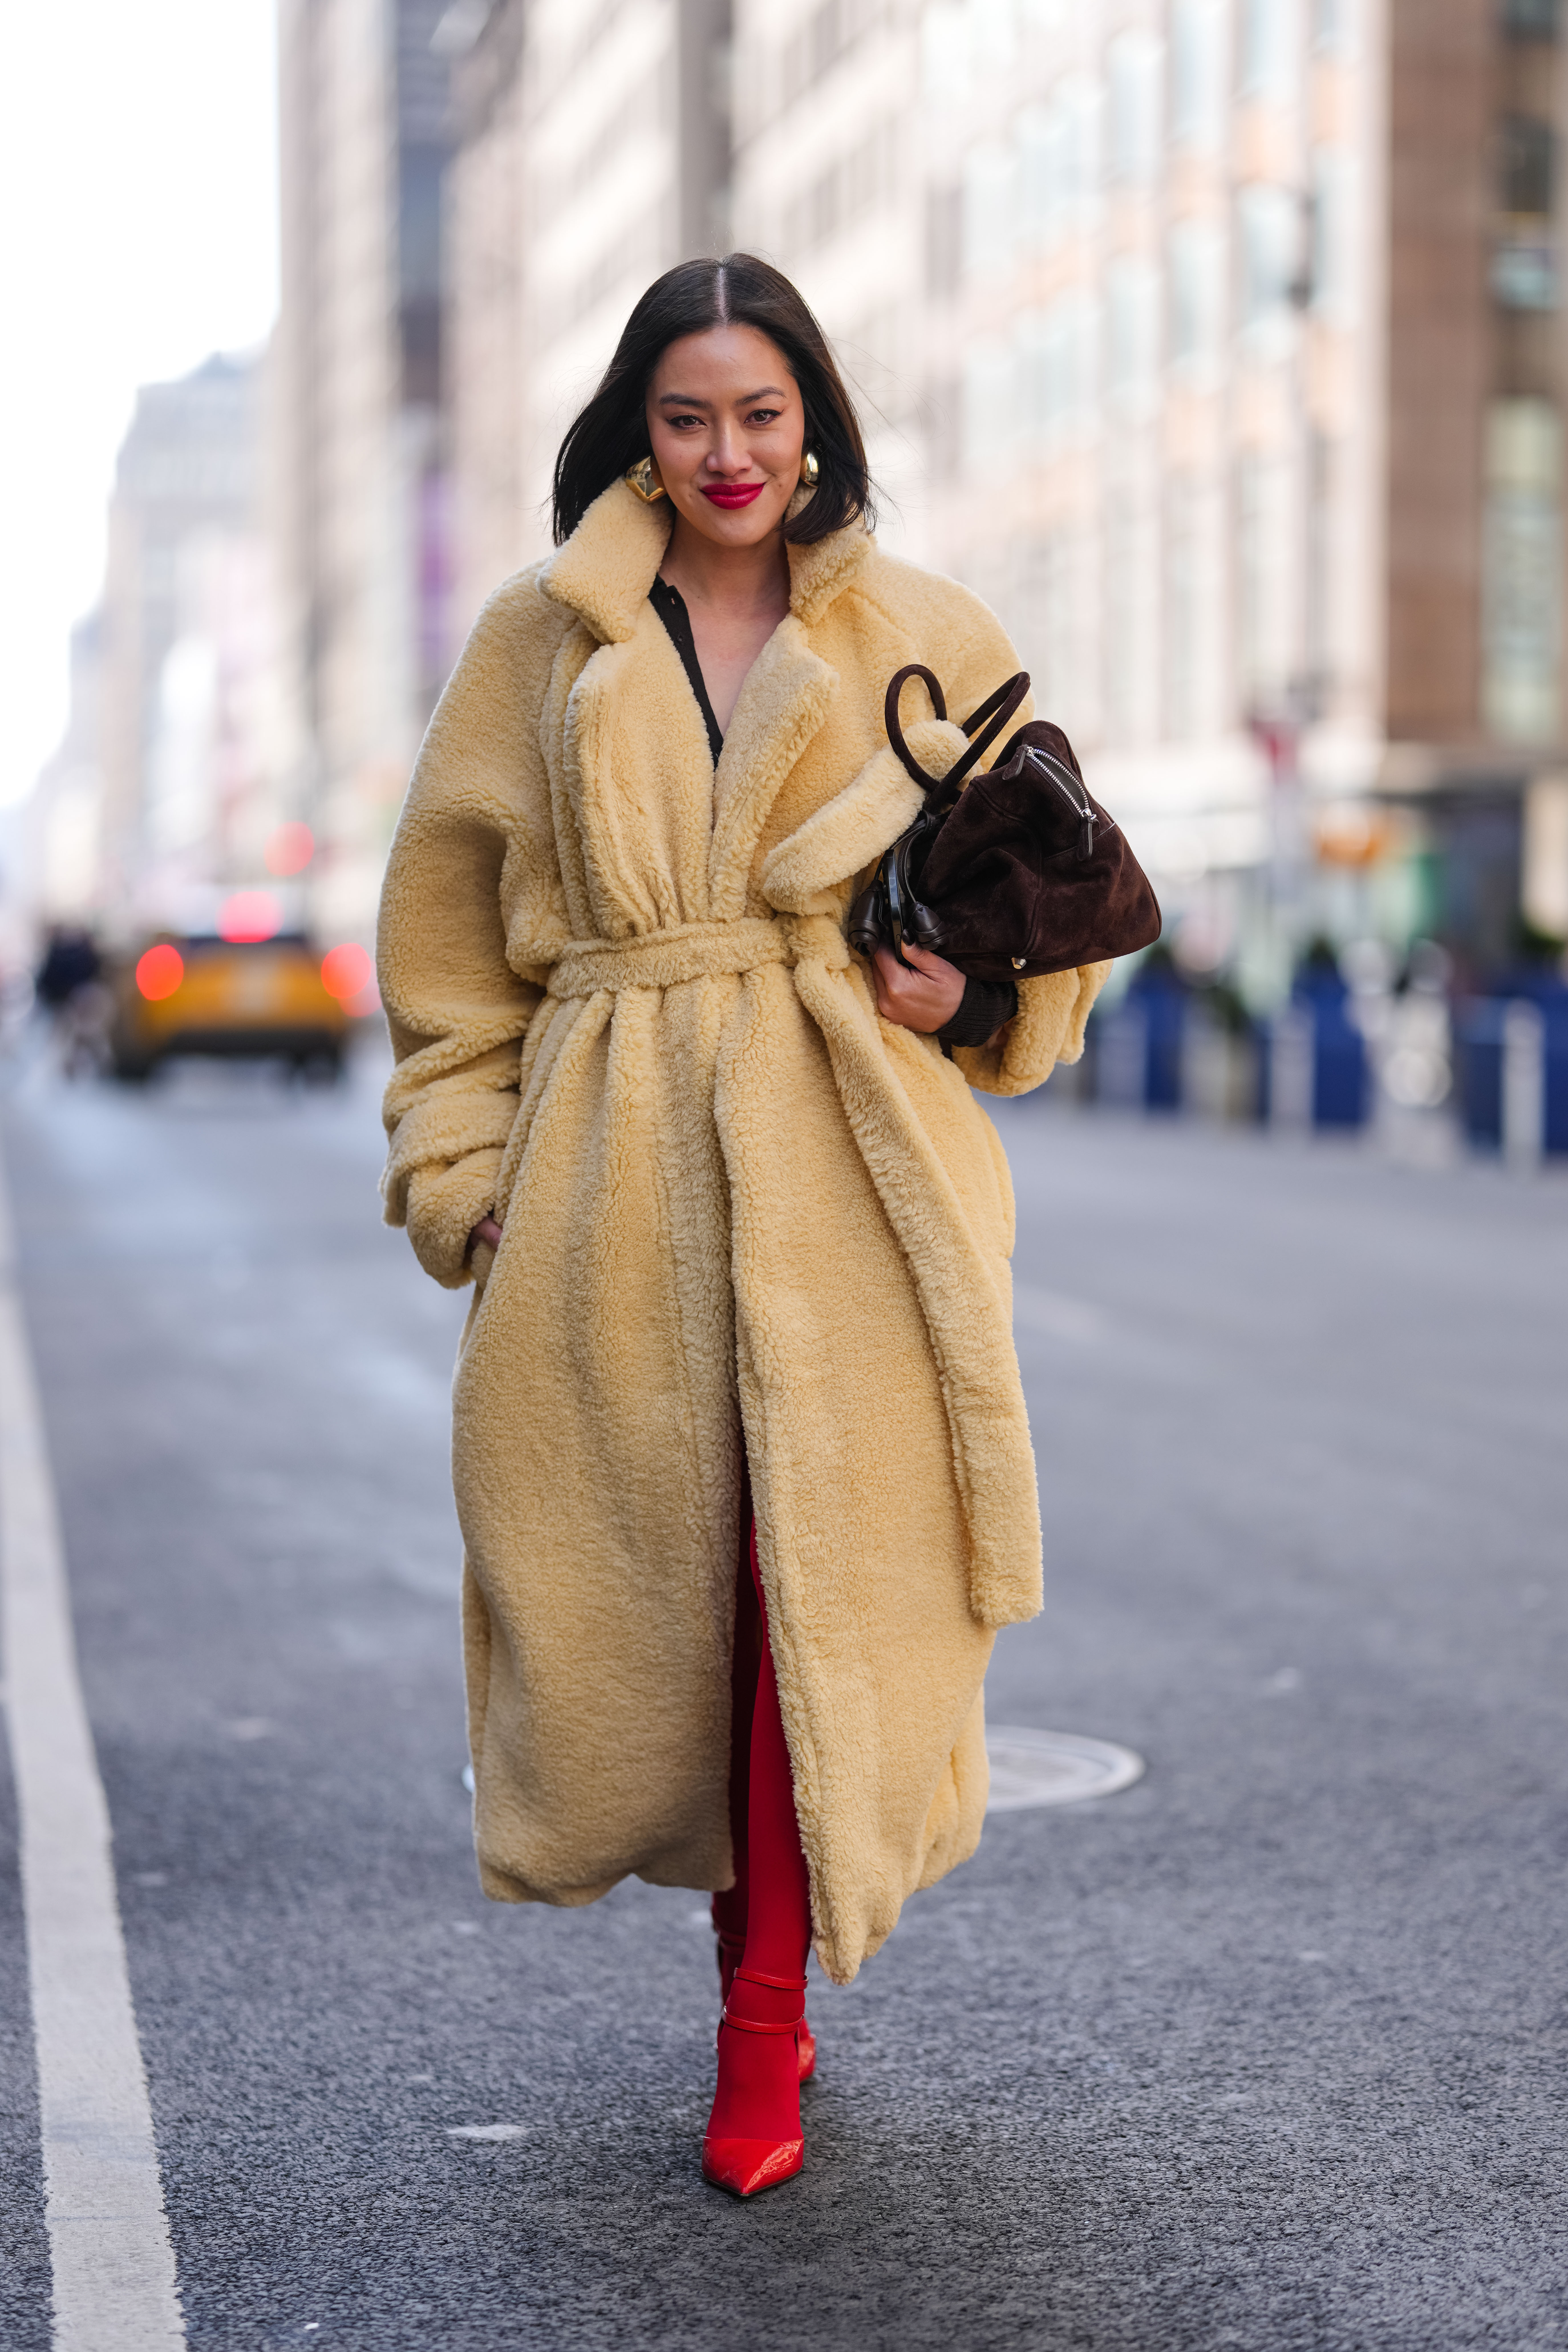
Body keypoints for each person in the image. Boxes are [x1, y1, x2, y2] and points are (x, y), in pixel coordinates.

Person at [376, 254, 1108, 2198]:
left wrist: (987, 1001)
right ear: (641, 424)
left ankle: (764, 2025)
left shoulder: (918, 627)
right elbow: (449, 954)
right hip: (613, 1172)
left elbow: (1049, 891)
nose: (728, 453)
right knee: (672, 1593)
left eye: (763, 415)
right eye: (690, 415)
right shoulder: (541, 646)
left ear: (814, 426)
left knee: (820, 1572)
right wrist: (471, 1178)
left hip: (852, 1164)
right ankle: (744, 1937)